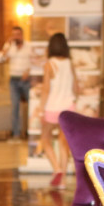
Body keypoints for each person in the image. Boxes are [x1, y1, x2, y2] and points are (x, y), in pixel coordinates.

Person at [40, 33, 79, 189]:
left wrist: (41, 109)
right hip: (68, 107)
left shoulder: (49, 64)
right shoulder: (69, 63)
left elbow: (46, 89)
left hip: (52, 107)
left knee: (45, 139)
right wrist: (74, 100)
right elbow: (76, 87)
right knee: (64, 143)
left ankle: (56, 169)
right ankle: (62, 180)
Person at [0, 26, 32, 141]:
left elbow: (35, 61)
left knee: (31, 106)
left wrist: (29, 71)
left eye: (18, 34)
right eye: (14, 34)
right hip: (13, 80)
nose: (16, 37)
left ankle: (31, 132)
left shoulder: (29, 46)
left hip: (26, 80)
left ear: (22, 35)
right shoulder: (9, 47)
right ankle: (16, 134)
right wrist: (7, 46)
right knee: (15, 106)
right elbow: (0, 59)